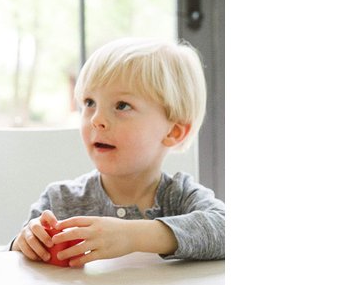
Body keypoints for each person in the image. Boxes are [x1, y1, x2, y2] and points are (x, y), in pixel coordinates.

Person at [12, 37, 224, 265]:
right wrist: (23, 244)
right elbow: (15, 262)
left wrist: (132, 236)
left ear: (173, 131)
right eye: (89, 102)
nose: (97, 119)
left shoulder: (180, 197)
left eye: (122, 105)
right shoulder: (60, 200)